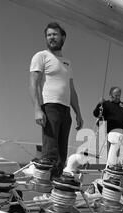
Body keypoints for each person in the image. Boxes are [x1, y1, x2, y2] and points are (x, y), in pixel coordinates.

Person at [29, 22, 83, 177]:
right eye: (48, 35)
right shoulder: (41, 56)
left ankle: (54, 188)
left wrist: (78, 113)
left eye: (55, 34)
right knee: (50, 152)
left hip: (66, 110)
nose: (51, 37)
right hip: (50, 107)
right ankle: (44, 186)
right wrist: (37, 109)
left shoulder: (67, 63)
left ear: (63, 37)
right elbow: (33, 83)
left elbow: (71, 90)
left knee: (61, 156)